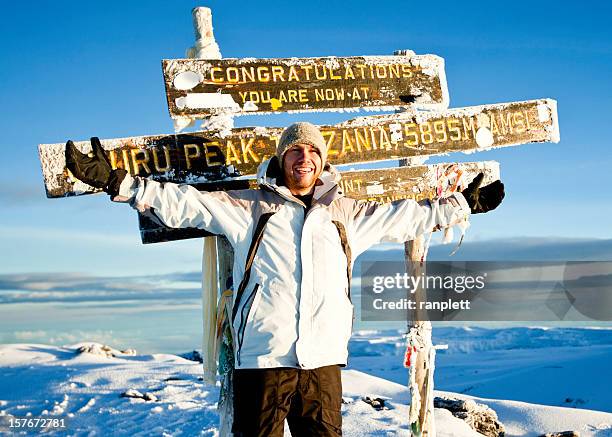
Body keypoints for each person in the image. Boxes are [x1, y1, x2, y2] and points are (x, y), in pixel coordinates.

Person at [65, 122, 504, 437]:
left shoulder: (344, 214)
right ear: (281, 158)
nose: (305, 157)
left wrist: (463, 206)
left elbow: (406, 216)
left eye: (313, 152)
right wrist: (119, 183)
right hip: (263, 360)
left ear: (323, 162)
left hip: (323, 362)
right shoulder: (251, 207)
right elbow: (185, 204)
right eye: (296, 150)